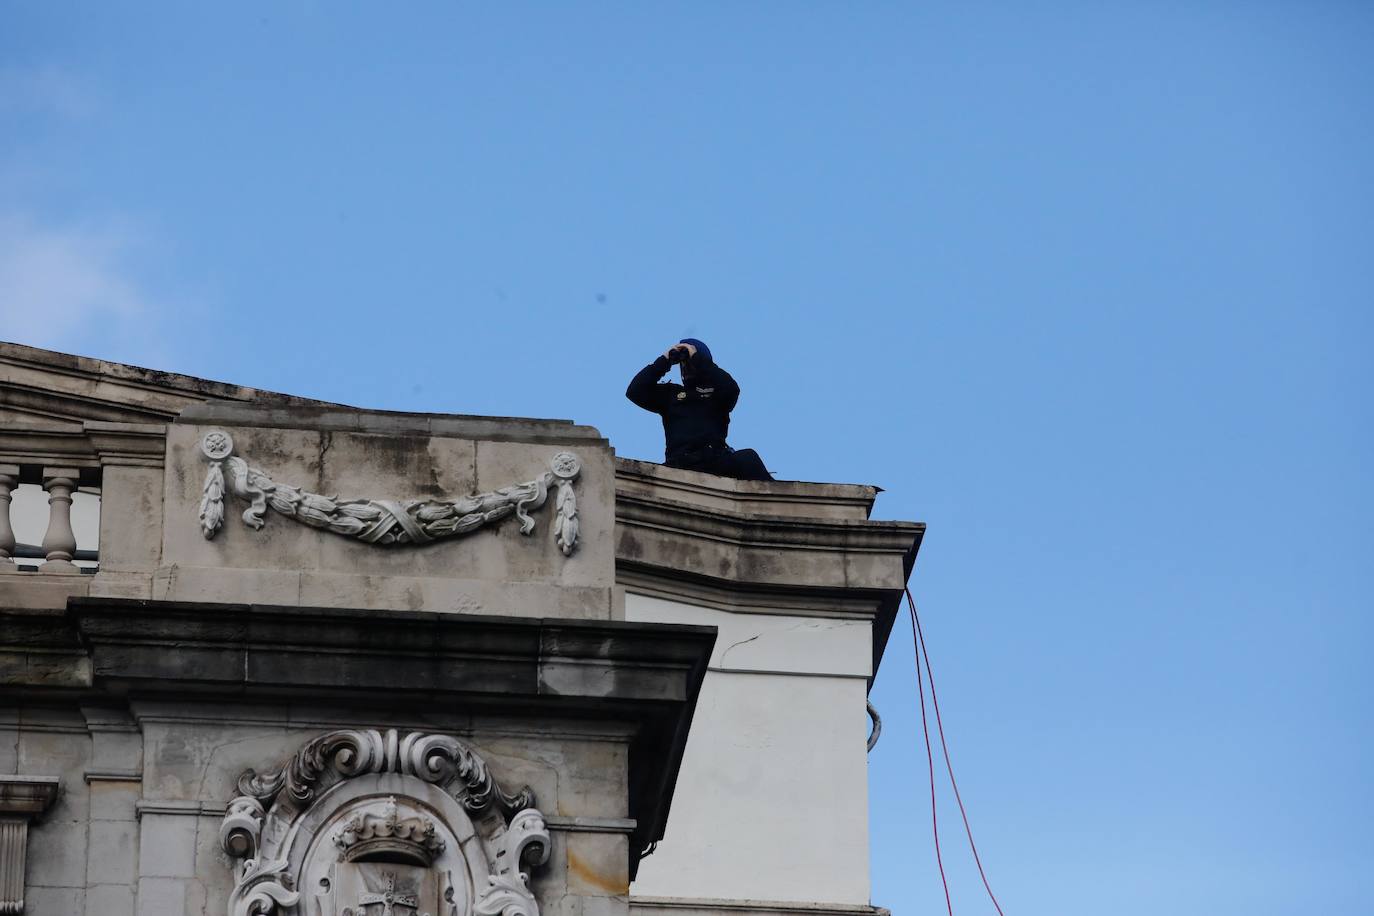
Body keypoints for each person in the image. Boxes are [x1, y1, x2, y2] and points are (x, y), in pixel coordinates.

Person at [626, 338, 774, 481]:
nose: (686, 368)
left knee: (748, 458)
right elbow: (635, 391)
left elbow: (731, 389)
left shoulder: (717, 393)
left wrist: (697, 358)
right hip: (680, 463)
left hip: (713, 459)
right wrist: (665, 361)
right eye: (683, 364)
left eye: (690, 362)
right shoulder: (671, 395)